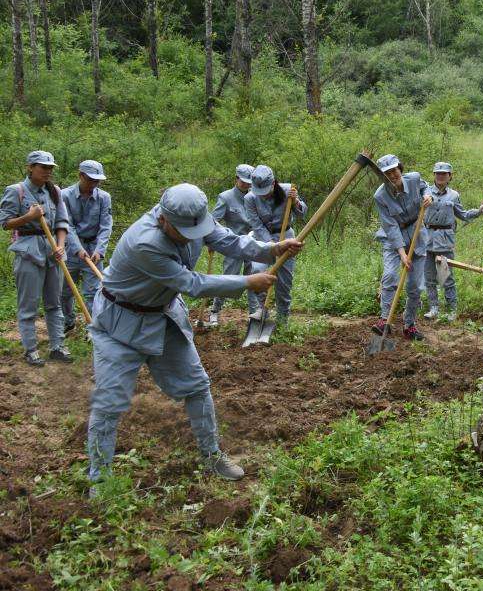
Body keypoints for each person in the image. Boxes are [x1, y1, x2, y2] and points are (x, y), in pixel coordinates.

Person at [86, 184, 303, 492]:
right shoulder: (143, 243)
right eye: (184, 232)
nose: (193, 236)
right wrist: (246, 282)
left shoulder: (194, 217)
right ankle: (99, 478)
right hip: (120, 323)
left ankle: (212, 455)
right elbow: (193, 282)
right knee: (109, 402)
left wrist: (271, 249)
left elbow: (228, 240)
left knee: (197, 386)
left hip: (162, 315)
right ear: (164, 220)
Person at [0, 151, 72, 366]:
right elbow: (5, 222)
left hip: (53, 252)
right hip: (28, 252)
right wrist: (28, 217)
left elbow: (62, 223)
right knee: (29, 305)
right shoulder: (16, 191)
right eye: (43, 167)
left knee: (54, 303)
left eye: (50, 168)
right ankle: (31, 350)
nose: (47, 171)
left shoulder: (55, 192)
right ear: (30, 167)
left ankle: (58, 346)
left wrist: (60, 246)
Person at [372, 154, 433, 340]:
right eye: (387, 173)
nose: (392, 175)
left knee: (415, 285)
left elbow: (425, 187)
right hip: (393, 239)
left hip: (417, 236)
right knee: (390, 276)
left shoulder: (414, 179)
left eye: (394, 170)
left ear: (400, 168)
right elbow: (390, 226)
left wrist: (428, 196)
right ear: (383, 176)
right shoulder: (380, 196)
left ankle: (409, 325)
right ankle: (385, 320)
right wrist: (402, 253)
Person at [422, 162, 483, 321]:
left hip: (444, 240)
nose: (440, 176)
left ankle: (451, 310)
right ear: (434, 175)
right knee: (429, 276)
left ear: (450, 176)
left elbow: (462, 214)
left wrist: (478, 212)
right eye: (438, 173)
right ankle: (434, 308)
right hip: (427, 238)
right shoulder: (425, 191)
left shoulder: (454, 195)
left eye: (444, 174)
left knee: (445, 276)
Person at [244, 165, 307, 327]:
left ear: (273, 184)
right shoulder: (250, 199)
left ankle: (282, 320)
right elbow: (256, 224)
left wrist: (296, 201)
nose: (263, 196)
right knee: (258, 269)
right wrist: (271, 245)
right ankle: (262, 308)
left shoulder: (288, 191)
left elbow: (302, 214)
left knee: (284, 281)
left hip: (286, 235)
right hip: (262, 237)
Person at [60, 160, 113, 334]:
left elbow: (106, 226)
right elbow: (67, 225)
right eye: (91, 180)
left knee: (94, 292)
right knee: (66, 291)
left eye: (97, 181)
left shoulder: (104, 198)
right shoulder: (64, 196)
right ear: (80, 176)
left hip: (94, 250)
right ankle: (68, 322)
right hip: (70, 249)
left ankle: (93, 328)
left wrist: (99, 250)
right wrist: (77, 248)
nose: (94, 184)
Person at [209, 164, 259, 324]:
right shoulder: (225, 197)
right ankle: (215, 311)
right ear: (236, 179)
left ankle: (253, 313)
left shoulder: (254, 197)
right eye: (243, 181)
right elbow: (213, 221)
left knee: (253, 277)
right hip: (233, 244)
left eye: (248, 182)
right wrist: (211, 239)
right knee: (228, 278)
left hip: (252, 242)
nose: (246, 185)